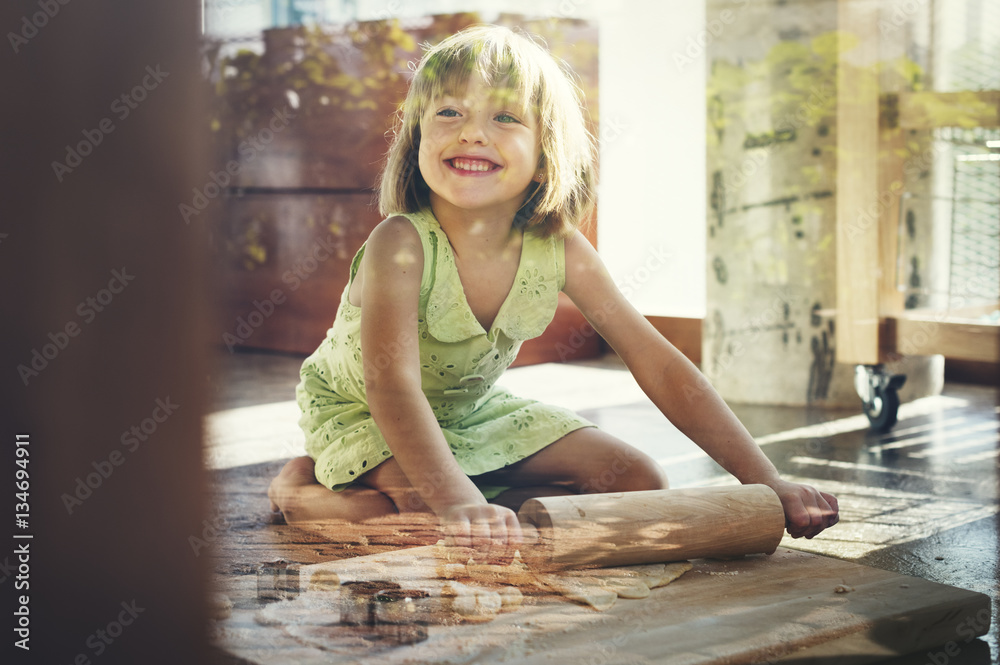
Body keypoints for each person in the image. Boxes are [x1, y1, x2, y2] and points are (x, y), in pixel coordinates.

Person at [268, 24, 839, 557]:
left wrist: (768, 481)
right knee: (423, 517)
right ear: (417, 137)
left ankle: (477, 501)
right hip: (362, 412)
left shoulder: (560, 248)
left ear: (546, 157)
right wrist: (457, 500)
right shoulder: (401, 243)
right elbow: (390, 385)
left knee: (639, 481)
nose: (472, 131)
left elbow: (659, 364)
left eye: (506, 118)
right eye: (448, 111)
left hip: (471, 412)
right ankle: (298, 489)